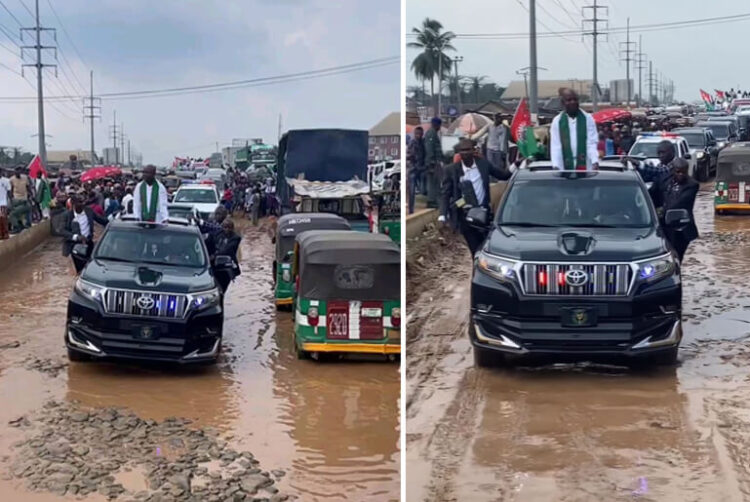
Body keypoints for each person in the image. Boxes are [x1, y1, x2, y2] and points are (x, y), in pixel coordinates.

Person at [439, 138, 512, 255]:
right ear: (459, 152)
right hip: (465, 216)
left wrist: (516, 165)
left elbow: (503, 175)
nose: (465, 153)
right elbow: (445, 194)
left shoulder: (483, 164)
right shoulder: (451, 170)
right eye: (462, 150)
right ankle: (477, 267)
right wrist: (442, 215)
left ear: (473, 151)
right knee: (475, 248)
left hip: (484, 215)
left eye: (468, 150)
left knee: (484, 247)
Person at [649, 158, 698, 261]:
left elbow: (679, 202)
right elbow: (652, 194)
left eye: (683, 172)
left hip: (681, 228)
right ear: (672, 170)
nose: (681, 174)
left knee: (676, 257)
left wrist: (662, 210)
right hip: (662, 225)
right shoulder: (664, 180)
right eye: (678, 171)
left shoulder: (692, 185)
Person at [550, 88, 599, 171]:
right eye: (569, 100)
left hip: (585, 165)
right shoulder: (557, 121)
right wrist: (556, 165)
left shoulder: (587, 118)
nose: (573, 102)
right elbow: (556, 146)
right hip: (564, 167)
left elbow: (591, 142)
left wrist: (595, 161)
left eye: (575, 99)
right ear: (563, 103)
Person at [61, 194, 109, 274]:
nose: (82, 204)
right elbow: (62, 231)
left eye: (83, 201)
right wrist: (76, 237)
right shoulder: (67, 215)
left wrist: (113, 220)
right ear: (73, 203)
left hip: (88, 244)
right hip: (73, 246)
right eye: (79, 202)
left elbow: (101, 220)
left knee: (88, 269)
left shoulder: (89, 211)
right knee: (76, 271)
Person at [424, 117, 443, 208]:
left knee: (435, 181)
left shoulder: (433, 133)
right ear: (436, 125)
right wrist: (431, 162)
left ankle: (434, 199)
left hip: (434, 161)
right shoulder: (431, 134)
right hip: (432, 162)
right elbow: (430, 149)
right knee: (432, 181)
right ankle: (431, 200)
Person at [407, 126, 426, 214]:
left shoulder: (423, 143)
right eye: (417, 134)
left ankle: (422, 200)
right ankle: (411, 209)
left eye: (420, 134)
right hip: (413, 169)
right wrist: (411, 157)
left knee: (422, 189)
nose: (418, 135)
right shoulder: (412, 143)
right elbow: (409, 155)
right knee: (412, 190)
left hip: (421, 169)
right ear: (414, 134)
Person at [9, 166, 31, 233]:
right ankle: (20, 225)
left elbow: (28, 187)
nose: (17, 173)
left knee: (13, 214)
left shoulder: (25, 178)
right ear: (14, 172)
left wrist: (30, 196)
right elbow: (11, 190)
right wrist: (11, 199)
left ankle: (17, 227)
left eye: (19, 171)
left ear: (21, 172)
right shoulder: (11, 179)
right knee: (16, 213)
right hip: (16, 199)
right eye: (16, 171)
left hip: (24, 200)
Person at [0, 169, 10, 239]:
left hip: (3, 202)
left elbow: (9, 192)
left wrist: (9, 202)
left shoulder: (6, 180)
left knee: (3, 218)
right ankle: (1, 234)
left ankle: (6, 233)